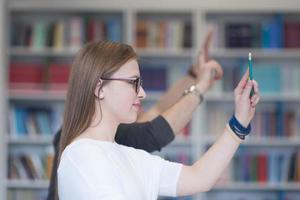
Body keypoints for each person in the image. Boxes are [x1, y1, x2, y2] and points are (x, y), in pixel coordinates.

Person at [57, 40, 260, 199]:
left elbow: (199, 178)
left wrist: (239, 122)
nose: (143, 93)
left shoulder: (128, 156)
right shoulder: (81, 155)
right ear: (100, 89)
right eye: (133, 83)